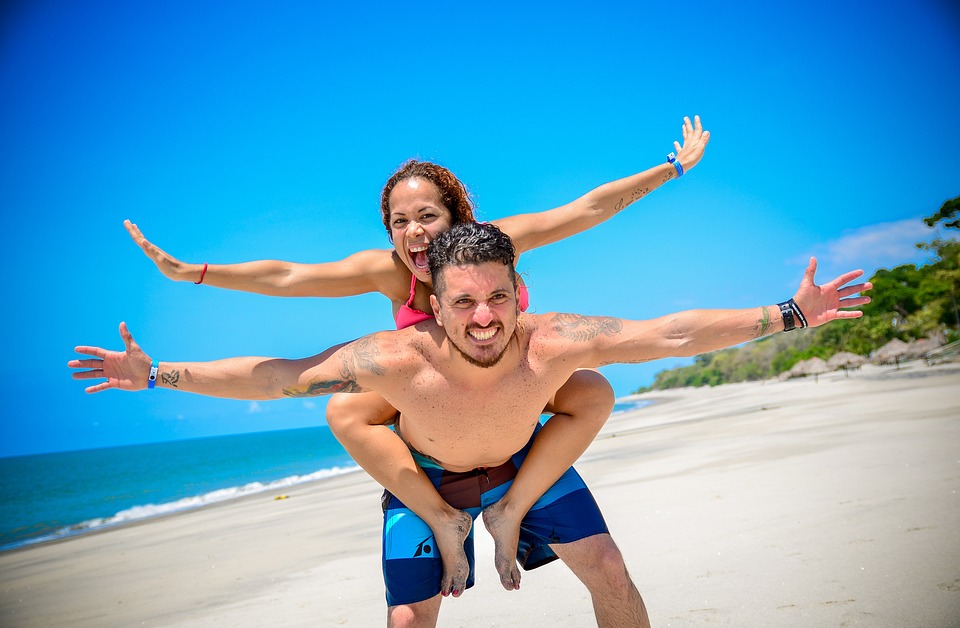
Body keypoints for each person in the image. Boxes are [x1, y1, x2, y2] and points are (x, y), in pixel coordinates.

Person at [71, 222, 871, 628]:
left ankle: (510, 511)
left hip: (526, 460)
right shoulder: (392, 358)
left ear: (519, 291)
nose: (483, 318)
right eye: (462, 302)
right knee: (408, 622)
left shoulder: (555, 337)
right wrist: (158, 374)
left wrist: (792, 312)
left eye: (497, 297)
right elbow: (279, 377)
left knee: (611, 570)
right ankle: (452, 523)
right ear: (435, 302)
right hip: (429, 475)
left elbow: (671, 333)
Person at [123, 116, 711, 595]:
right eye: (399, 221)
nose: (414, 232)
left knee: (590, 389)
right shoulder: (388, 269)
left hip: (511, 387)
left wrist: (672, 168)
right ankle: (442, 518)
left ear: (457, 216)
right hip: (437, 402)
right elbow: (289, 275)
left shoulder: (492, 244)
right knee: (345, 408)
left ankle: (513, 512)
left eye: (428, 215)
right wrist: (192, 273)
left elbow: (583, 211)